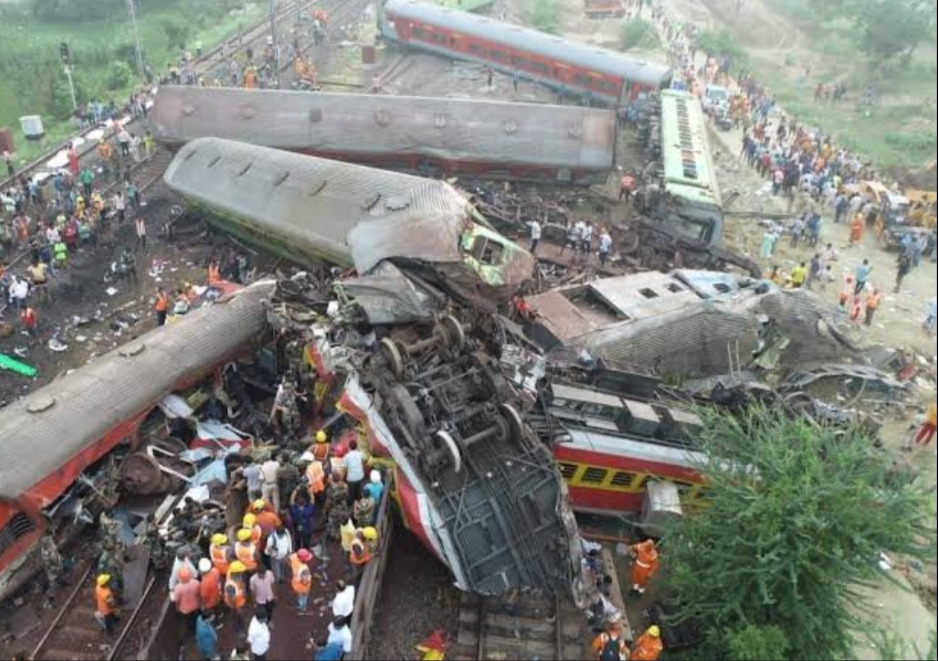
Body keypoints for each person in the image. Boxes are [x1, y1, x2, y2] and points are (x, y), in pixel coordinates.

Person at [171, 566, 202, 633]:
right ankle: (198, 627)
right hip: (196, 605)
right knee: (196, 617)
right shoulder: (196, 583)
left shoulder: (178, 588)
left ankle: (193, 629)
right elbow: (199, 593)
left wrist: (177, 608)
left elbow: (177, 601)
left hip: (185, 609)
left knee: (188, 619)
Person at [224, 561, 249, 637]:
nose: (242, 572)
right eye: (241, 571)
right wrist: (236, 608)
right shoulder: (230, 585)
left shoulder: (236, 575)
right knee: (237, 617)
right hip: (236, 605)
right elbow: (231, 599)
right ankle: (239, 630)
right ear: (236, 572)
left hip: (240, 601)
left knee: (240, 616)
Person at [289, 548, 313, 613]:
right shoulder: (304, 568)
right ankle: (302, 608)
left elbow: (290, 557)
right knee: (304, 597)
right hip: (302, 587)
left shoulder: (294, 558)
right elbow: (305, 581)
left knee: (299, 595)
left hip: (295, 583)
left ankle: (299, 605)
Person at [343, 440, 366, 505]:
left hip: (351, 478)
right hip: (360, 476)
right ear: (356, 447)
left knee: (351, 494)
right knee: (358, 492)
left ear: (349, 447)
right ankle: (359, 502)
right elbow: (364, 461)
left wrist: (347, 475)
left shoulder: (346, 456)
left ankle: (352, 504)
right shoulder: (360, 454)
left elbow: (345, 468)